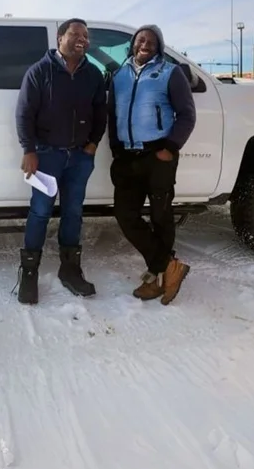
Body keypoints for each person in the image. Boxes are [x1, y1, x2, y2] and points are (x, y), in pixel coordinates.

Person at [14, 18, 107, 305]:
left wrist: (92, 145)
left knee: (73, 213)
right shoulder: (39, 71)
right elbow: (24, 114)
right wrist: (29, 150)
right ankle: (29, 273)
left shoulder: (92, 74)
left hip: (80, 157)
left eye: (86, 36)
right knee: (40, 212)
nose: (82, 39)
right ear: (59, 38)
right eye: (75, 34)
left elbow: (100, 112)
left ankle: (70, 270)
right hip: (46, 156)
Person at [108, 24, 196, 305]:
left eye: (152, 41)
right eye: (141, 39)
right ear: (133, 44)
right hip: (127, 157)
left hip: (159, 155)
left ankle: (157, 277)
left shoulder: (170, 73)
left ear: (159, 47)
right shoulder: (119, 75)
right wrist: (116, 149)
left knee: (161, 216)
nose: (145, 43)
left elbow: (187, 114)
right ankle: (168, 265)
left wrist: (170, 147)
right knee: (125, 214)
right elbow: (112, 116)